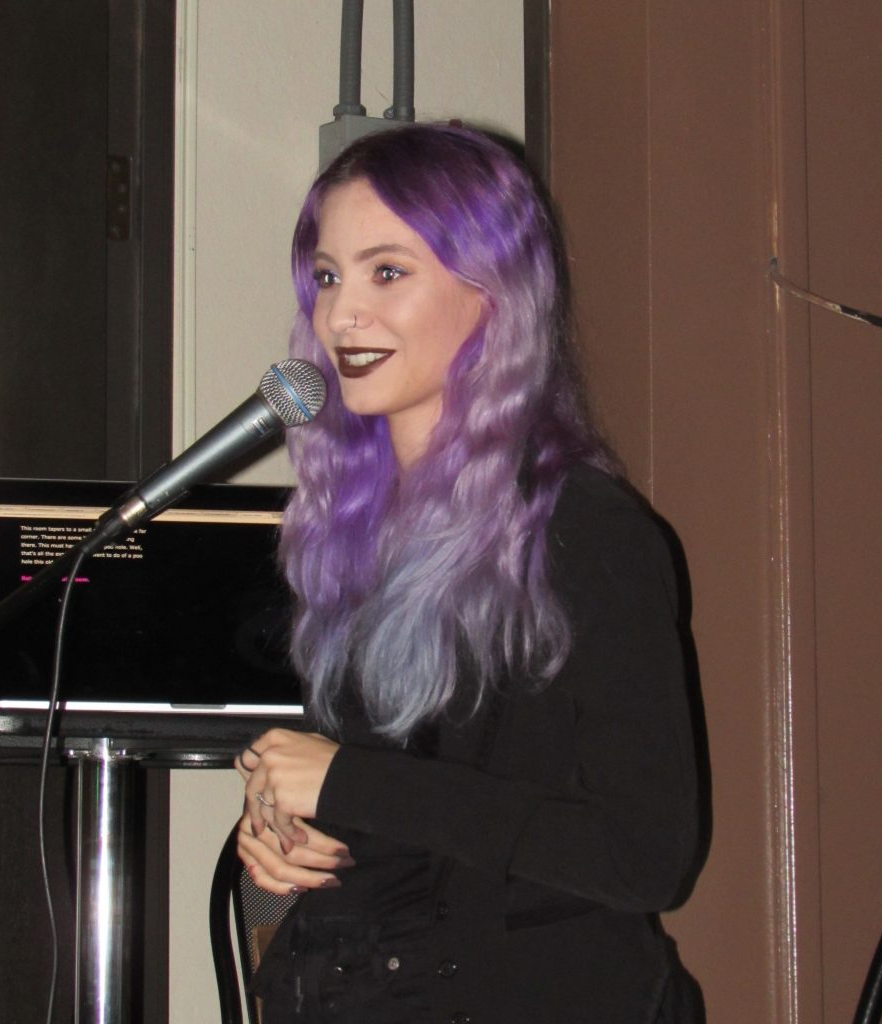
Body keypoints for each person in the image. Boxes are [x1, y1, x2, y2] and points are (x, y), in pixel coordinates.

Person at [234, 122, 704, 1024]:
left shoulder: (586, 533)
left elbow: (648, 855)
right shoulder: (346, 540)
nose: (340, 317)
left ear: (491, 296)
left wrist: (344, 784)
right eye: (327, 277)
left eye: (388, 272)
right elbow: (402, 815)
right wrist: (283, 830)